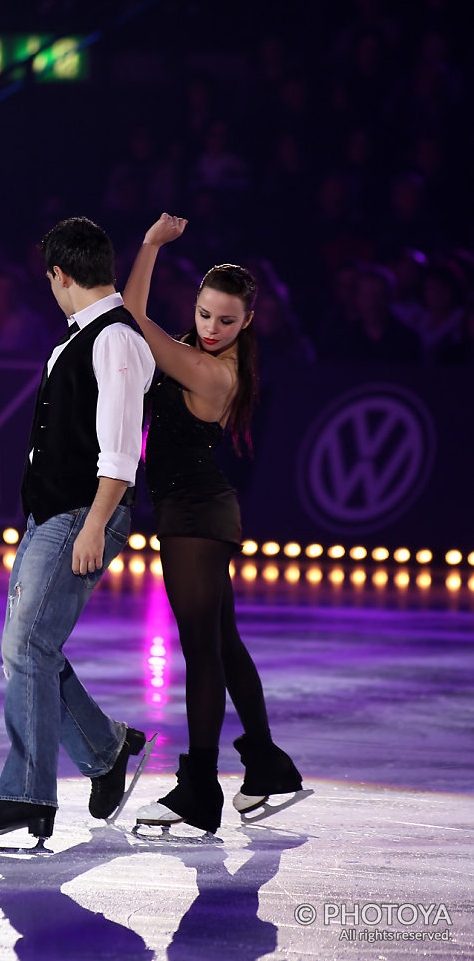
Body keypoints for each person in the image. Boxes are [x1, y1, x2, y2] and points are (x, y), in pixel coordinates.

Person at [0, 217, 156, 843]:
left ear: (59, 276)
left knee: (26, 647)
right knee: (27, 648)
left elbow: (121, 449)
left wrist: (94, 524)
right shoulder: (82, 338)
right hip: (55, 514)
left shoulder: (113, 340)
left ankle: (27, 795)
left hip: (80, 515)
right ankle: (107, 750)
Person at [122, 213, 301, 835]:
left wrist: (148, 245)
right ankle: (269, 764)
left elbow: (135, 321)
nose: (212, 328)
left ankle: (199, 790)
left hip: (195, 516)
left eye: (227, 320)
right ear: (195, 307)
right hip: (198, 512)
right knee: (221, 644)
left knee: (201, 653)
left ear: (248, 321)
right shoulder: (201, 355)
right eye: (204, 315)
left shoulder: (211, 370)